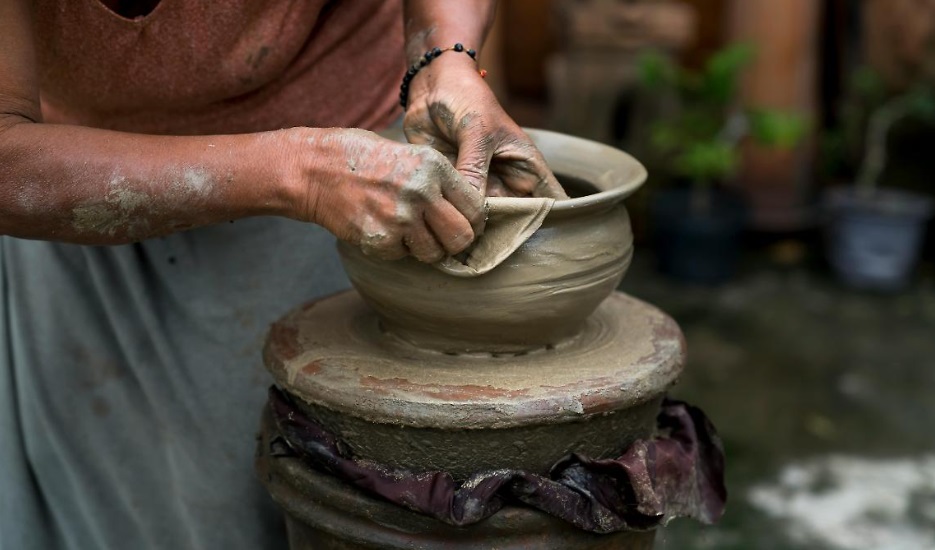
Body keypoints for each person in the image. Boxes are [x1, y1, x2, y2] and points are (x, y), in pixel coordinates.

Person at [0, 1, 564, 548]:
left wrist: (446, 57)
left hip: (352, 155)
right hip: (73, 178)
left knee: (275, 491)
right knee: (99, 484)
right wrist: (303, 172)